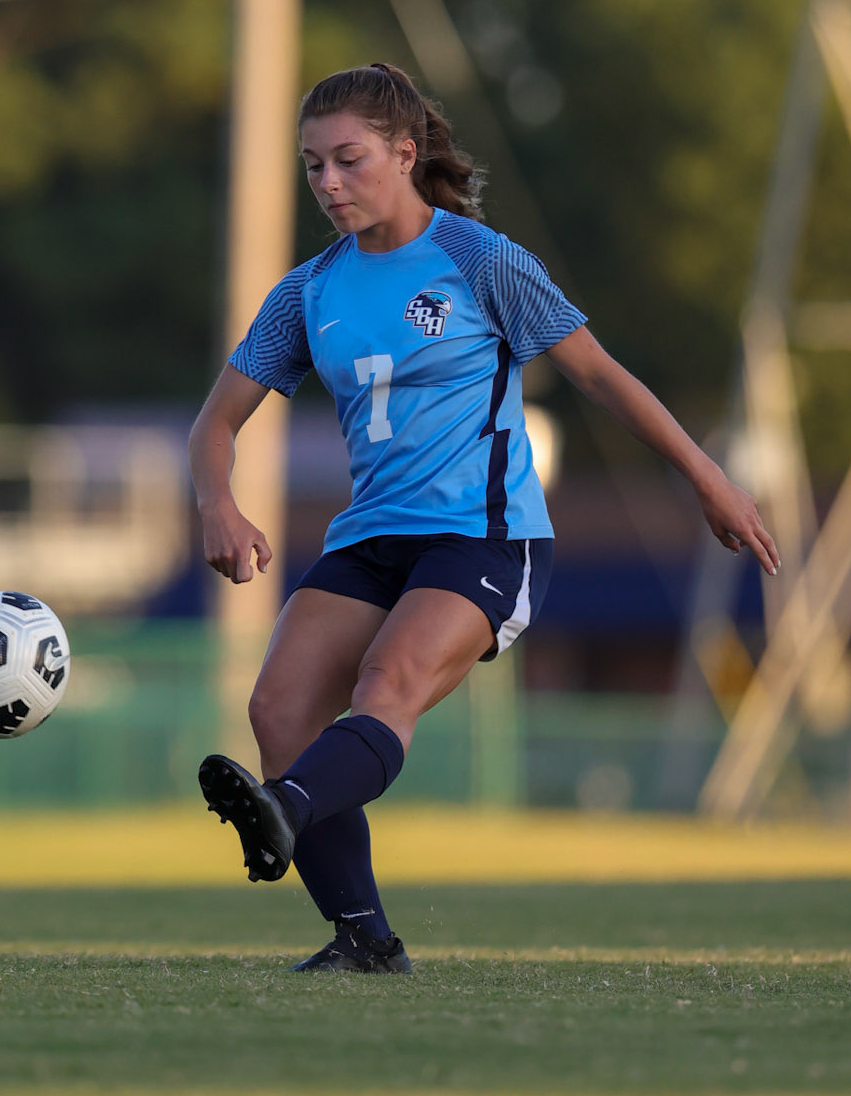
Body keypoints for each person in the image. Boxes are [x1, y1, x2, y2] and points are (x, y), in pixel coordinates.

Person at [189, 62, 779, 974]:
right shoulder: (306, 292)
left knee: (389, 682)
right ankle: (364, 941)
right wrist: (217, 501)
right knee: (278, 710)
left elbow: (599, 376)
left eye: (348, 160)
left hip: (484, 533)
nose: (328, 184)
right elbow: (215, 422)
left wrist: (708, 478)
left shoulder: (482, 261)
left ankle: (288, 810)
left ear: (404, 152)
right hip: (370, 537)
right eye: (312, 167)